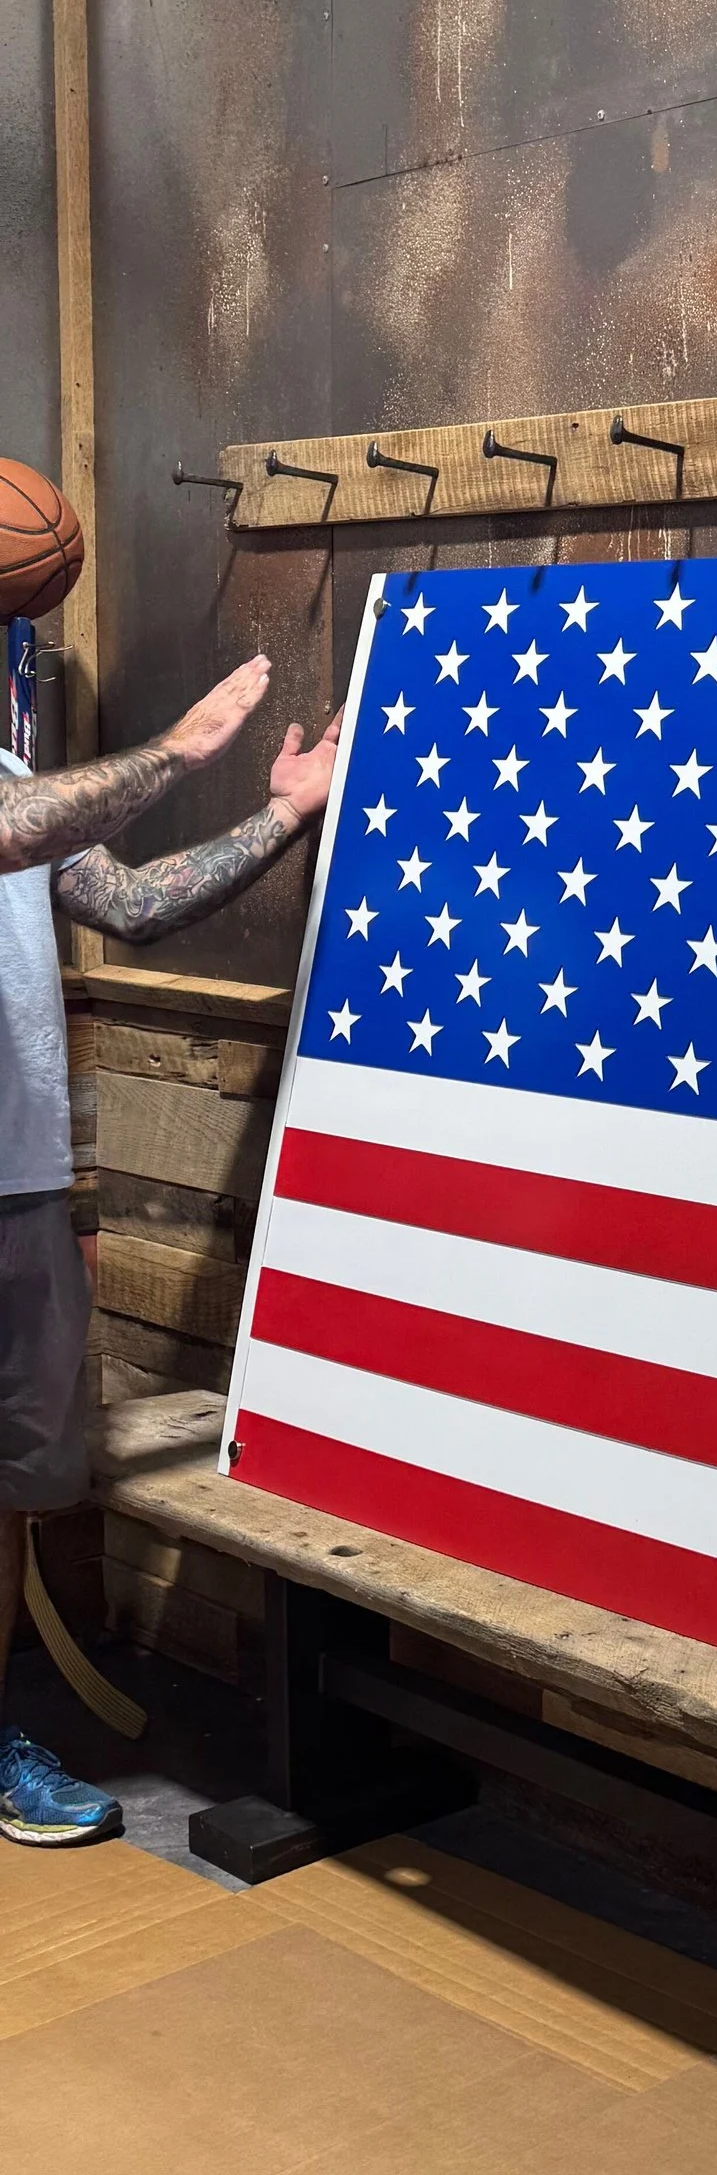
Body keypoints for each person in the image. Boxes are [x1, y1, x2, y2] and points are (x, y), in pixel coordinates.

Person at [1, 651, 339, 1845]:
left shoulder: (12, 777)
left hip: (23, 1191)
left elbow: (136, 903)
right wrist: (181, 750)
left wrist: (285, 811)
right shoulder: (14, 803)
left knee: (12, 1492)